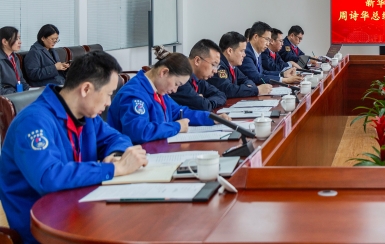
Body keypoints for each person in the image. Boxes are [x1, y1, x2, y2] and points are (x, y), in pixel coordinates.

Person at [0, 51, 148, 244]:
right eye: (108, 94)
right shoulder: (34, 121)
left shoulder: (86, 115)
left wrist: (117, 155)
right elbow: (48, 177)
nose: (109, 102)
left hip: (81, 211)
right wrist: (113, 169)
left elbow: (117, 138)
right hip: (45, 229)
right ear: (86, 89)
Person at [108, 51, 227, 144]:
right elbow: (139, 132)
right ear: (164, 72)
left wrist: (212, 118)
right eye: (176, 84)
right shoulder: (134, 94)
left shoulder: (159, 91)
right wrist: (177, 126)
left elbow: (179, 112)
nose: (175, 90)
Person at [208, 31, 271, 98]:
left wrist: (248, 88)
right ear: (229, 51)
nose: (244, 55)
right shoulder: (218, 66)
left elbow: (246, 80)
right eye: (242, 51)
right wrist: (256, 90)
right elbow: (228, 90)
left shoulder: (233, 65)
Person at [170, 40, 227, 111]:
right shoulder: (179, 78)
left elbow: (221, 95)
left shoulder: (198, 78)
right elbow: (202, 106)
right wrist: (204, 102)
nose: (215, 71)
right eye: (213, 65)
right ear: (197, 61)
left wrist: (206, 101)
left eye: (217, 66)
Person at [241, 21, 303, 86]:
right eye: (267, 39)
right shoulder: (246, 52)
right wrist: (284, 80)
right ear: (256, 37)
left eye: (269, 40)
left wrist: (282, 74)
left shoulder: (257, 51)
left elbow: (262, 72)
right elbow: (256, 77)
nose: (268, 44)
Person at [0, 26, 29, 94]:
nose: (20, 42)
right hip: (7, 97)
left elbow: (21, 80)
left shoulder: (15, 57)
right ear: (4, 42)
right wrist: (16, 94)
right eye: (16, 39)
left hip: (17, 94)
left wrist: (28, 90)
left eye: (19, 38)